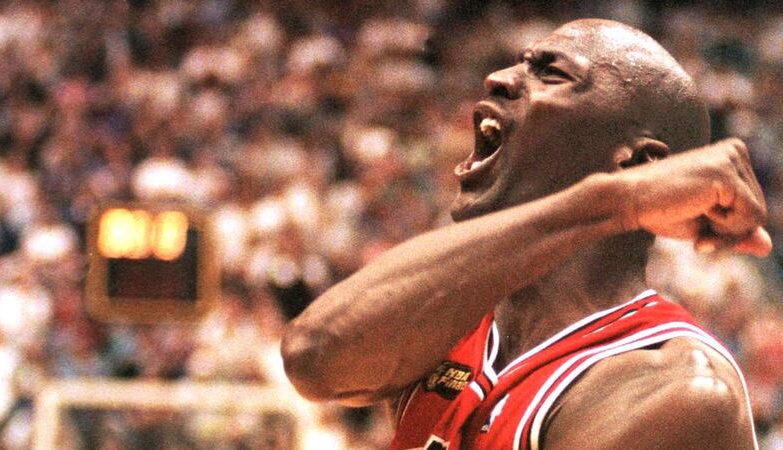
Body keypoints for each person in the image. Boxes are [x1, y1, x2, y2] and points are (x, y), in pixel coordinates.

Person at [281, 19, 771, 450]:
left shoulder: (678, 388)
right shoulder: (459, 317)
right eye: (521, 63)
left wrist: (615, 201)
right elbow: (315, 357)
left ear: (642, 166)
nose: (499, 78)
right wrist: (612, 203)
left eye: (552, 73)